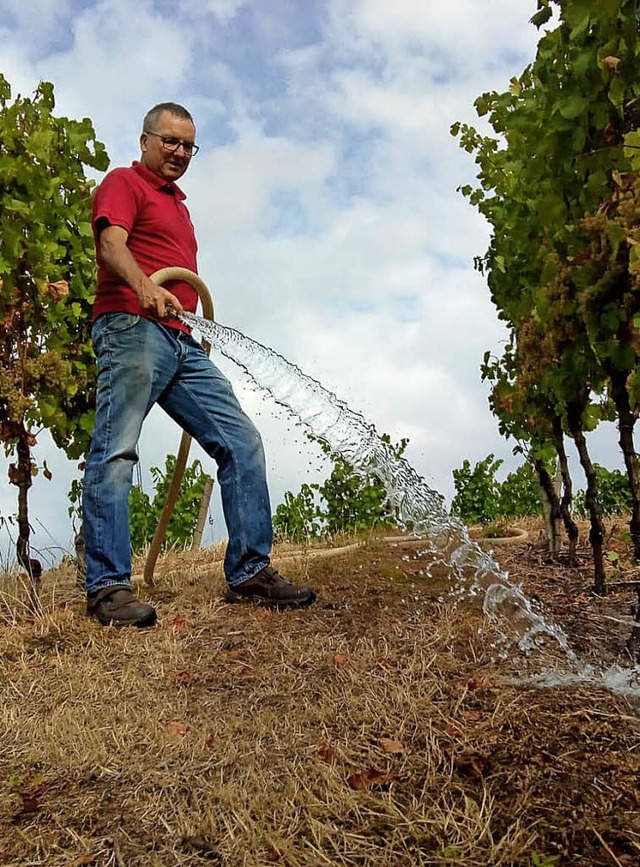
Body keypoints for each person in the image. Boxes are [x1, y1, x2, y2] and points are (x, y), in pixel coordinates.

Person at [82, 102, 315, 627]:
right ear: (144, 141)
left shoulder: (181, 208)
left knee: (241, 441)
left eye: (189, 146)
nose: (180, 153)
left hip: (183, 338)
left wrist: (177, 310)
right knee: (116, 450)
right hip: (131, 327)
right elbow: (111, 244)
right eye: (170, 141)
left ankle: (250, 571)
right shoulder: (124, 182)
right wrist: (146, 289)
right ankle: (107, 588)